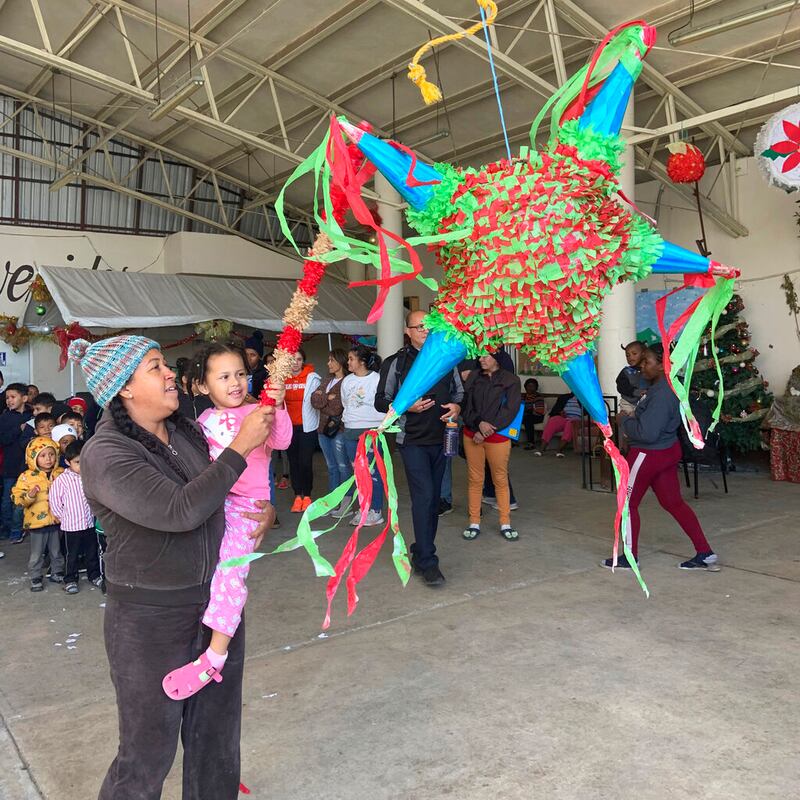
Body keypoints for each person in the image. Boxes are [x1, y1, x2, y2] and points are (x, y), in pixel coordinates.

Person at [73, 334, 277, 799]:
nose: (170, 373)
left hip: (215, 606)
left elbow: (222, 491)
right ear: (124, 388)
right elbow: (180, 510)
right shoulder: (107, 453)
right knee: (147, 753)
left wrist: (260, 509)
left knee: (216, 743)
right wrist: (241, 446)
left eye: (165, 364)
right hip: (150, 620)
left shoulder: (184, 430)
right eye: (155, 366)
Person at [162, 342, 290, 700]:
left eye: (240, 374)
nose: (235, 383)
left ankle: (215, 655)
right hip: (215, 502)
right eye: (224, 377)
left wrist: (278, 407)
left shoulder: (259, 411)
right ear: (202, 386)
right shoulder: (203, 421)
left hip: (247, 507)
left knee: (231, 573)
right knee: (207, 568)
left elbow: (282, 441)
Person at [603, 344, 721, 572]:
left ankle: (629, 557)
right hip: (666, 452)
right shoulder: (664, 386)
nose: (642, 366)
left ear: (662, 365)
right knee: (673, 502)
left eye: (647, 362)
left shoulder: (662, 394)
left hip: (648, 454)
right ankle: (705, 552)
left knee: (627, 504)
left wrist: (624, 421)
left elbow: (647, 433)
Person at [375, 311, 463, 585]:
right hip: (412, 441)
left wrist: (457, 407)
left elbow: (460, 393)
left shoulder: (446, 359)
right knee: (424, 497)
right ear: (408, 331)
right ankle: (427, 561)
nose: (425, 330)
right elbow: (381, 401)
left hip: (442, 439)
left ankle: (421, 550)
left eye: (429, 326)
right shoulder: (396, 363)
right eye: (419, 326)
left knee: (433, 500)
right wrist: (406, 407)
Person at [461, 351, 521, 541]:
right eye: (480, 356)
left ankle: (505, 523)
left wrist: (486, 430)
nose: (481, 359)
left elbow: (510, 410)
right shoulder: (473, 377)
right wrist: (478, 424)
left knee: (500, 479)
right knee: (475, 479)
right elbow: (465, 406)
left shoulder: (511, 380)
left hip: (497, 437)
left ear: (497, 359)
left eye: (485, 356)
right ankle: (474, 522)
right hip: (472, 434)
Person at [12, 436, 64, 590]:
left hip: (56, 520)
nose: (48, 459)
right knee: (37, 553)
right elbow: (17, 498)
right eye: (42, 455)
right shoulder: (26, 477)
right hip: (36, 523)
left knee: (56, 550)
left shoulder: (61, 473)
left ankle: (57, 572)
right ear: (33, 457)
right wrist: (29, 496)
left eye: (51, 454)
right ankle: (35, 577)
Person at [48, 440, 101, 594]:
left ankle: (94, 575)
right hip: (71, 525)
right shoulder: (62, 480)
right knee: (72, 554)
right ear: (67, 462)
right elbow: (54, 500)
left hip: (89, 522)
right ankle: (70, 579)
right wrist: (62, 517)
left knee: (92, 551)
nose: (82, 466)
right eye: (77, 462)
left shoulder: (90, 476)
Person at [341, 345, 385, 527]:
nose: (348, 362)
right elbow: (345, 402)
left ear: (362, 361)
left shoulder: (377, 379)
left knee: (373, 471)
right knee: (358, 472)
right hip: (351, 429)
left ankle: (375, 510)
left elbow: (383, 402)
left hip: (370, 430)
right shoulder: (347, 381)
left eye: (351, 359)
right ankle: (363, 508)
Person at [311, 349, 350, 508]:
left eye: (332, 360)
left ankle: (346, 502)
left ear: (340, 361)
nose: (328, 363)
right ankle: (333, 502)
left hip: (338, 430)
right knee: (331, 467)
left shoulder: (348, 381)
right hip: (322, 429)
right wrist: (328, 397)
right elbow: (314, 401)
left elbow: (337, 408)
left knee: (343, 466)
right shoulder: (327, 380)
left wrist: (323, 398)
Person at [284, 349, 321, 512]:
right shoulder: (282, 378)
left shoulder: (312, 378)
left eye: (299, 359)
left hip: (307, 427)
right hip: (288, 427)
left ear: (303, 361)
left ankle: (307, 496)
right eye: (292, 359)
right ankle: (297, 495)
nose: (295, 363)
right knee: (293, 462)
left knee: (305, 462)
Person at [0, 383, 31, 544]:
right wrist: (19, 429)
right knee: (7, 501)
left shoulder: (32, 416)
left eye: (13, 397)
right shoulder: (4, 418)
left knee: (21, 501)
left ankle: (16, 530)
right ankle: (5, 528)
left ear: (24, 398)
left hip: (27, 467)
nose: (9, 400)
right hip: (9, 467)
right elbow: (3, 439)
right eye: (7, 398)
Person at [534, 392, 582, 457]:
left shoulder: (584, 398)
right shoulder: (565, 397)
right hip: (564, 418)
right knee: (553, 420)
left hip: (577, 420)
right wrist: (560, 412)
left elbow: (587, 412)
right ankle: (541, 449)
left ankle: (559, 450)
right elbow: (555, 410)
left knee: (570, 423)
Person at [522, 378, 547, 450]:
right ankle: (513, 439)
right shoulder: (523, 397)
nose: (530, 388)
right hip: (525, 415)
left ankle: (531, 443)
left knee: (528, 419)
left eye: (532, 386)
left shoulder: (538, 397)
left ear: (536, 388)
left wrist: (527, 410)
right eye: (528, 386)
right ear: (525, 387)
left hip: (537, 416)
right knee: (514, 418)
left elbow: (540, 411)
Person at [244, 331, 268, 400]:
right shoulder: (237, 369)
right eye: (246, 354)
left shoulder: (266, 373)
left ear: (259, 357)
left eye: (252, 355)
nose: (248, 358)